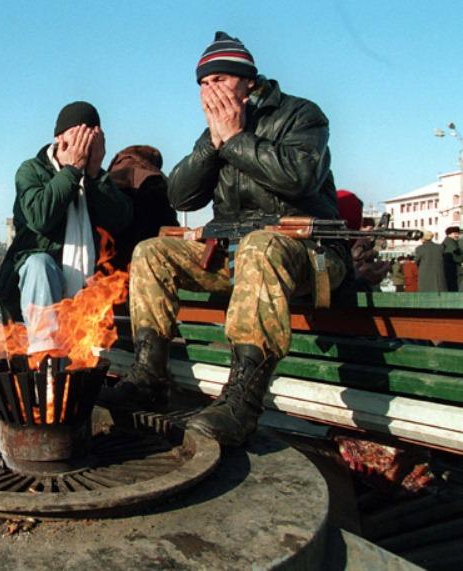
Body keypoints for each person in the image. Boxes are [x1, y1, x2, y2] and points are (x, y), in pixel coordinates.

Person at [102, 32, 350, 447]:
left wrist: (237, 140)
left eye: (218, 79)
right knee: (151, 251)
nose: (208, 91)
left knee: (260, 245)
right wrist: (211, 147)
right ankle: (148, 375)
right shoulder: (215, 132)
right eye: (202, 83)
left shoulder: (301, 115)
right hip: (237, 256)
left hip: (309, 254)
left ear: (248, 81)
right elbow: (181, 195)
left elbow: (300, 178)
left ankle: (243, 402)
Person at [0, 101, 133, 355]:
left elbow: (120, 220)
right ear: (59, 137)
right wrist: (71, 171)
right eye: (78, 131)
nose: (85, 139)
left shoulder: (97, 178)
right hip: (35, 284)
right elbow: (40, 217)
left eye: (92, 132)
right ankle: (45, 357)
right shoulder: (32, 170)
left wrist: (93, 175)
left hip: (84, 287)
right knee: (39, 264)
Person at [105, 145, 179, 270]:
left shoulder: (106, 179)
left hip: (106, 263)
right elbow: (170, 227)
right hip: (146, 264)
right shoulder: (155, 181)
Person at [441, 226, 463, 292]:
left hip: (450, 269)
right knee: (454, 288)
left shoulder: (449, 242)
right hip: (453, 270)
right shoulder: (451, 244)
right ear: (449, 234)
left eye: (458, 233)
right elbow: (456, 258)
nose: (457, 235)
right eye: (455, 233)